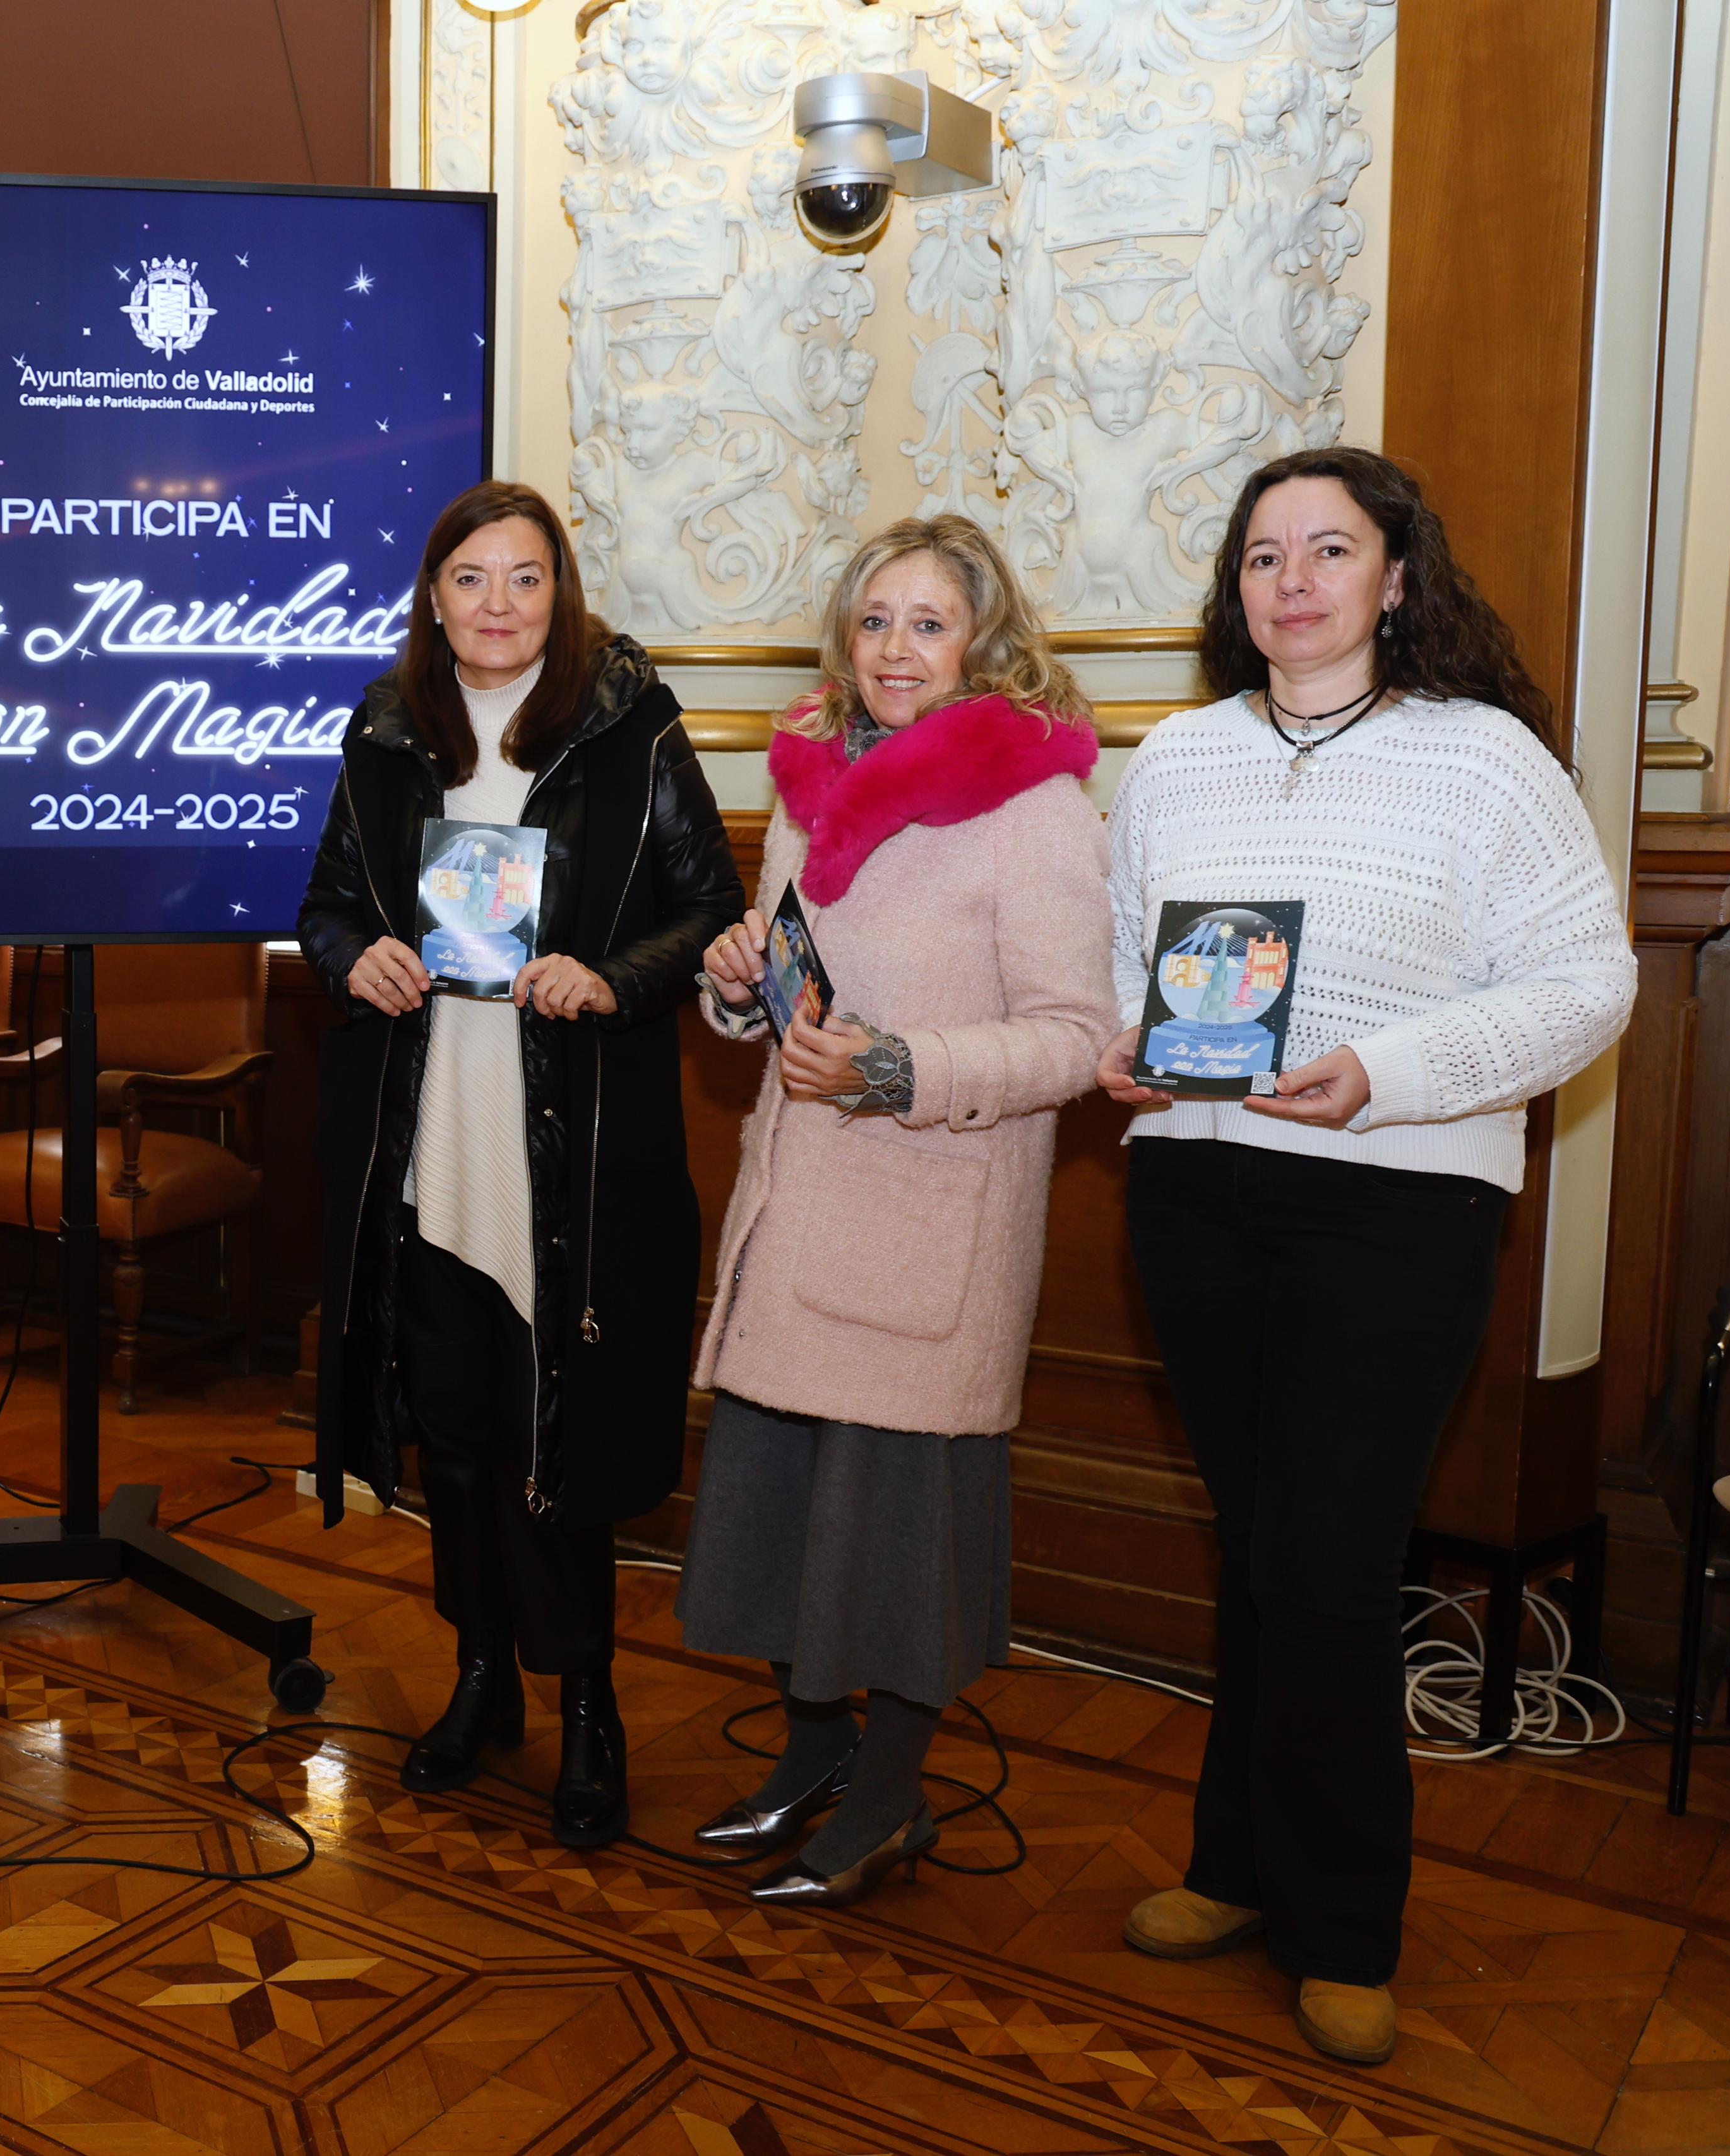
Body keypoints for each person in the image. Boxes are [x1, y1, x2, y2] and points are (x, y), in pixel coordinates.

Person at [1097, 446, 1635, 2066]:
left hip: (1397, 1200)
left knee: (1326, 1569)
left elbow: (1588, 981)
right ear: (1236, 587)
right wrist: (1127, 1043)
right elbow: (1126, 957)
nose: (1293, 580)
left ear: (1396, 578)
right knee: (1262, 1550)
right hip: (1194, 1191)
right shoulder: (1176, 755)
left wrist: (1383, 1073)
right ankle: (1234, 1868)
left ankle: (1343, 1925)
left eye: (1328, 549)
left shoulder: (1484, 758)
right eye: (1263, 554)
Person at [301, 479, 741, 1850]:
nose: (499, 603)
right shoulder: (385, 732)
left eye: (526, 577)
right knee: (456, 1434)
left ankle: (589, 1706)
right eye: (472, 578)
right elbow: (325, 909)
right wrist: (355, 957)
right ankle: (481, 1677)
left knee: (563, 1447)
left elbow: (710, 910)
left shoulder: (628, 727)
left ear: (563, 594)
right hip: (428, 1148)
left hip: (572, 1160)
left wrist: (611, 978)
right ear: (434, 599)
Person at [683, 515, 1109, 1908]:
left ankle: (886, 1802)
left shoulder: (1037, 807)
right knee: (783, 1521)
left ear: (987, 642)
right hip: (799, 1207)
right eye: (874, 621)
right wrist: (739, 984)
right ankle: (811, 1758)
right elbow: (788, 992)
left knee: (895, 1550)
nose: (895, 650)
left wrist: (898, 1068)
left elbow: (1075, 1037)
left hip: (932, 1225)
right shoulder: (812, 783)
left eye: (929, 623)